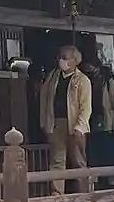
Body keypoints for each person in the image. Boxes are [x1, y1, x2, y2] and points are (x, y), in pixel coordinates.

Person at [39, 42, 93, 171]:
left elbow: (86, 106)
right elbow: (44, 99)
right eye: (60, 57)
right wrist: (44, 122)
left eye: (65, 58)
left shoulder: (82, 80)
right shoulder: (52, 77)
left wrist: (80, 126)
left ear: (75, 60)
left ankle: (84, 185)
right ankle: (57, 186)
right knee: (57, 162)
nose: (61, 61)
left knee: (78, 161)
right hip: (56, 123)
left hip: (75, 124)